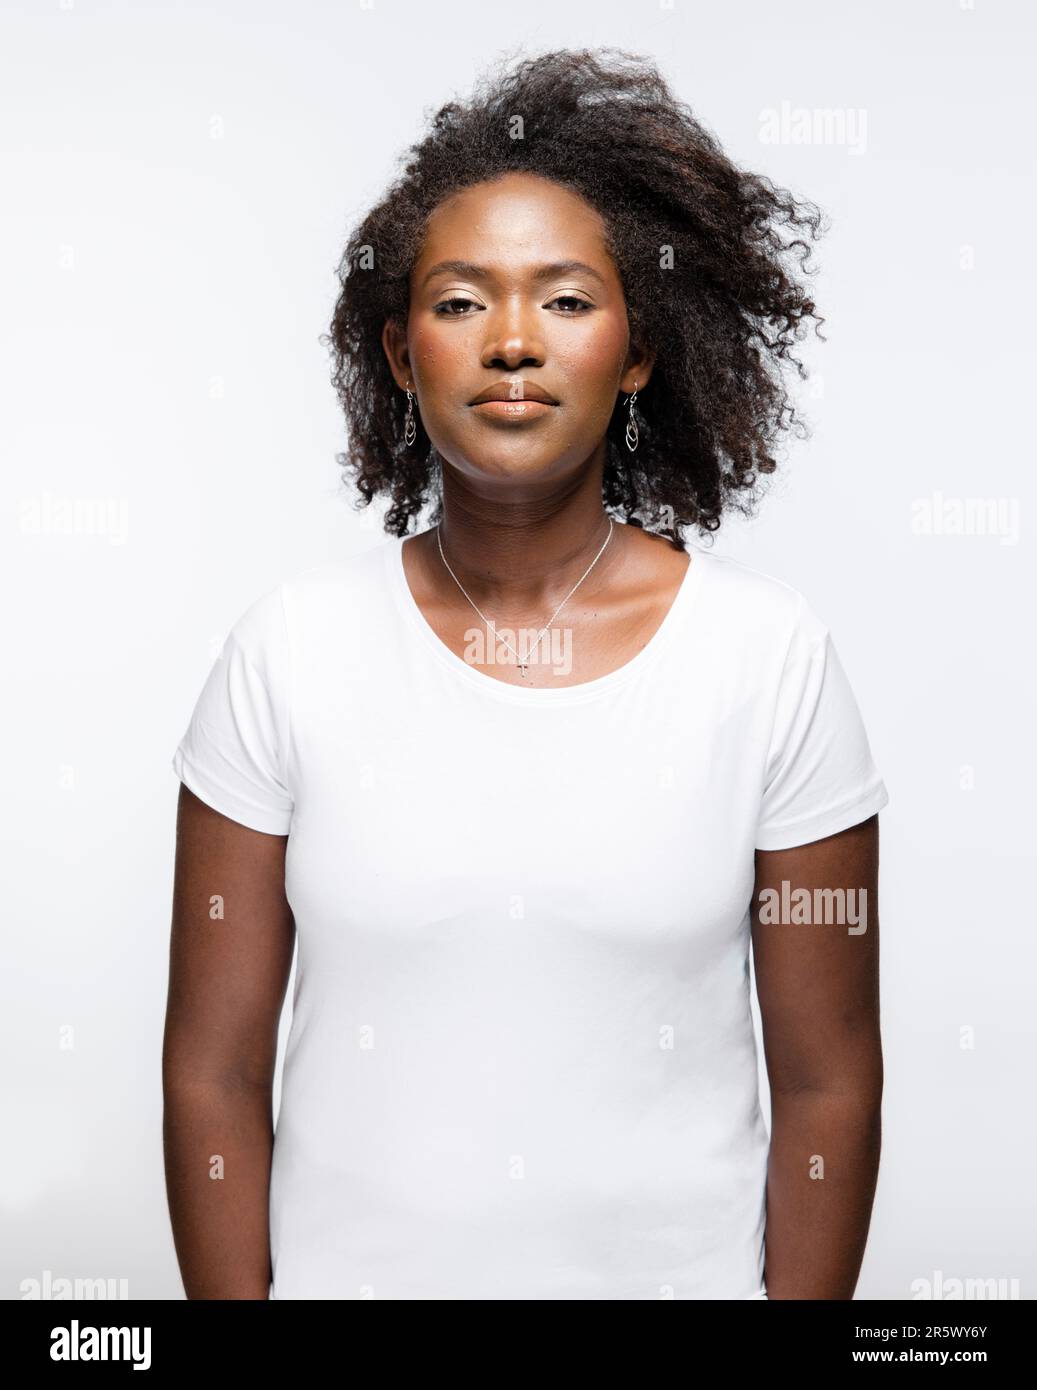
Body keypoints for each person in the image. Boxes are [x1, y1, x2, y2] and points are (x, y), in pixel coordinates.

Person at [164, 47, 889, 1301]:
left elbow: (829, 1083)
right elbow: (209, 1075)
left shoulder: (768, 664)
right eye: (457, 303)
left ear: (640, 351)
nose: (510, 342)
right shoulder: (286, 655)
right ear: (398, 355)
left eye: (562, 300)